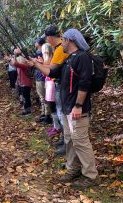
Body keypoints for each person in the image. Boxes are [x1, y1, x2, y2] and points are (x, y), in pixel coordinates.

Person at [28, 28, 100, 188]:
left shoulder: (83, 58)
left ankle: (91, 175)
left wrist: (78, 106)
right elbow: (52, 71)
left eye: (64, 40)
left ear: (70, 40)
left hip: (77, 108)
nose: (62, 42)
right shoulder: (69, 59)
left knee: (80, 141)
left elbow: (85, 83)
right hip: (68, 107)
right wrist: (35, 64)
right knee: (70, 140)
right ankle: (73, 168)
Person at [45, 25, 69, 155]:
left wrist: (37, 65)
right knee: (60, 113)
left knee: (62, 114)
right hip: (60, 85)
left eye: (47, 38)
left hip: (60, 86)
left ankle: (66, 143)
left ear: (49, 37)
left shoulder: (60, 49)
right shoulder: (58, 48)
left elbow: (51, 70)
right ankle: (63, 139)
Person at [33, 37, 52, 124]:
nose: (34, 43)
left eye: (36, 42)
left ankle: (47, 115)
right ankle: (44, 113)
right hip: (39, 76)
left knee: (44, 97)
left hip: (42, 77)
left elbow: (45, 64)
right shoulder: (39, 52)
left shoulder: (42, 52)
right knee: (42, 97)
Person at [10, 48, 33, 115]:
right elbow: (14, 63)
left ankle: (27, 110)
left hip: (26, 83)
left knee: (26, 97)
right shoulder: (22, 65)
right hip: (23, 83)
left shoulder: (24, 65)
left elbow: (15, 63)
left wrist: (14, 54)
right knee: (26, 96)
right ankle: (27, 109)